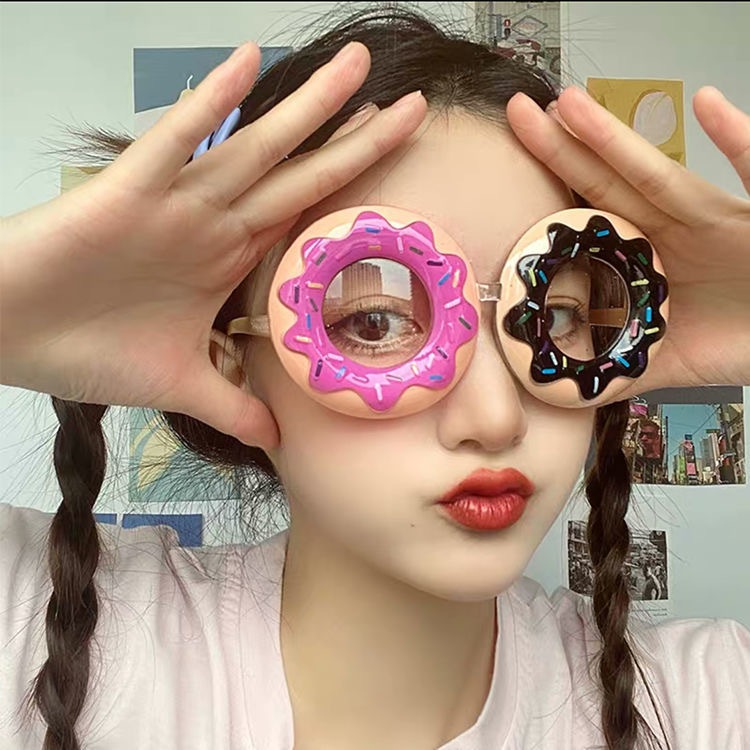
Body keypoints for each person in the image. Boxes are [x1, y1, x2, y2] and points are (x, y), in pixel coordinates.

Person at [1, 6, 749, 750]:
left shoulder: (708, 701)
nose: (495, 418)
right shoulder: (33, 624)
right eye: (374, 322)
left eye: (556, 316)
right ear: (233, 356)